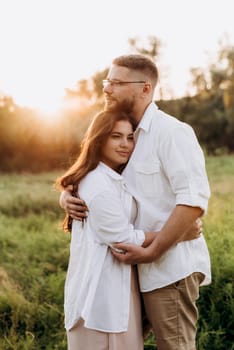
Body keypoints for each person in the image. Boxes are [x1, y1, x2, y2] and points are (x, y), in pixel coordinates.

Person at [60, 54, 211, 350]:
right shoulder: (126, 134)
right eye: (107, 81)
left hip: (169, 267)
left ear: (145, 88)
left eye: (116, 82)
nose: (107, 89)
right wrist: (69, 194)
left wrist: (153, 250)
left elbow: (192, 201)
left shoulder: (172, 133)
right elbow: (98, 177)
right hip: (128, 271)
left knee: (175, 346)